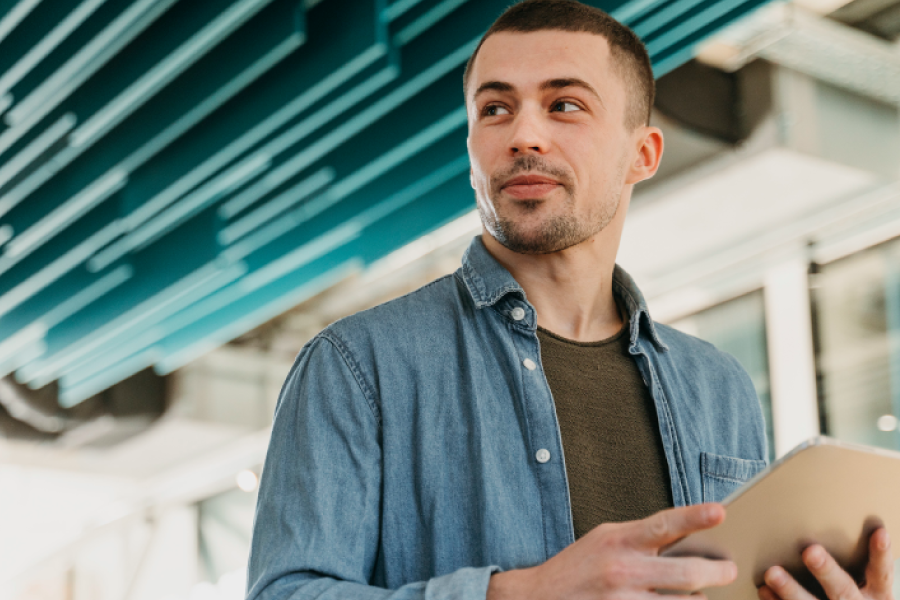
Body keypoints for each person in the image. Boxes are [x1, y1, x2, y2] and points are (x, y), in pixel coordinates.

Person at [246, 1, 895, 599]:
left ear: (641, 153)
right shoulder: (355, 367)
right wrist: (519, 594)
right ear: (471, 146)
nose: (524, 135)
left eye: (565, 106)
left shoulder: (719, 385)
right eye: (494, 109)